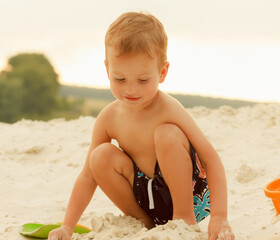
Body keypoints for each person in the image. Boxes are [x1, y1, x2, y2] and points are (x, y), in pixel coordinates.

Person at [49, 12, 234, 240]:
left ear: (162, 72)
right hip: (145, 198)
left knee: (167, 134)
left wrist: (219, 216)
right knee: (99, 156)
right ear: (107, 69)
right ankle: (142, 223)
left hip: (189, 197)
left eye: (143, 80)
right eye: (119, 79)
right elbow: (88, 176)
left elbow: (211, 159)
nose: (131, 90)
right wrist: (67, 226)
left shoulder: (169, 109)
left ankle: (183, 221)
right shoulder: (108, 118)